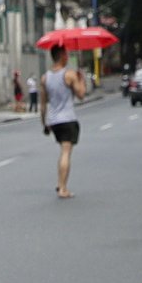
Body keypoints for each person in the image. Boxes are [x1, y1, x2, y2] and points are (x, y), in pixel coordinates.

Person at [41, 44, 88, 199]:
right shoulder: (69, 75)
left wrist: (44, 123)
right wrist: (81, 79)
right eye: (66, 54)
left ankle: (60, 183)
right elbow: (81, 95)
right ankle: (62, 188)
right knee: (66, 152)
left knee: (63, 151)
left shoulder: (45, 78)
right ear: (61, 56)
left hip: (54, 121)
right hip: (68, 119)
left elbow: (43, 104)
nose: (68, 57)